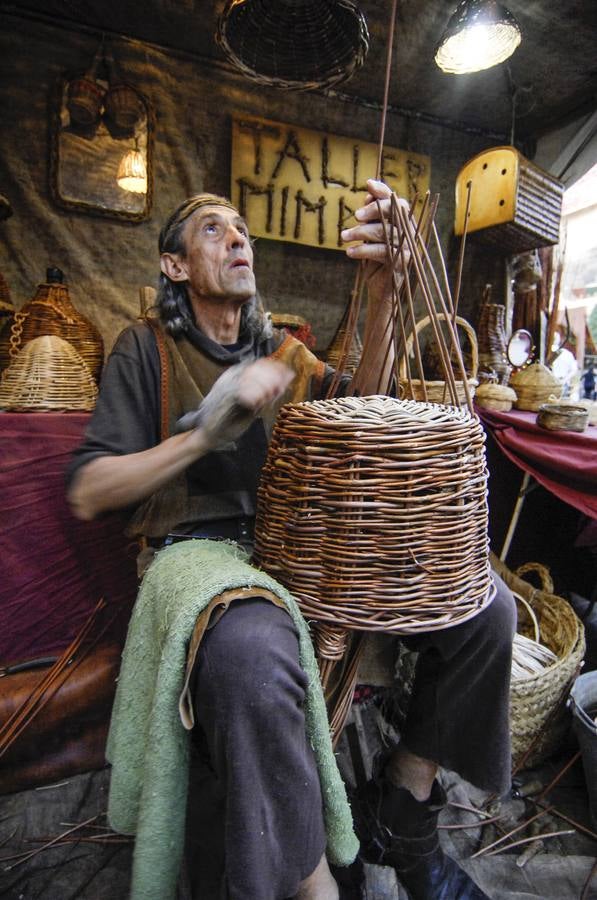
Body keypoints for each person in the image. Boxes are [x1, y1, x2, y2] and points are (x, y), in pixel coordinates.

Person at [67, 181, 515, 900]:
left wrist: (382, 294)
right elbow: (90, 490)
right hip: (196, 551)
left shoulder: (284, 354)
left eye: (241, 229)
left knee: (486, 608)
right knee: (252, 648)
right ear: (175, 266)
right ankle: (310, 880)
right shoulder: (144, 348)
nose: (237, 238)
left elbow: (359, 403)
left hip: (302, 544)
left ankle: (403, 807)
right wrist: (206, 433)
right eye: (213, 230)